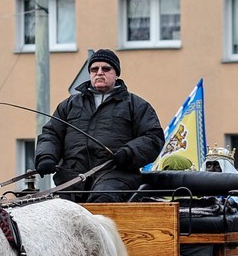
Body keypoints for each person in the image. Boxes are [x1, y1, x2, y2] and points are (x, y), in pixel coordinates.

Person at [35, 49, 164, 202]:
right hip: (71, 177)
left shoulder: (136, 105)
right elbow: (51, 134)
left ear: (116, 74)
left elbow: (153, 137)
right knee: (56, 208)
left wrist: (128, 153)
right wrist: (46, 157)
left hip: (116, 175)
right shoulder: (69, 105)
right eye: (94, 69)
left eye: (106, 68)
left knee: (102, 199)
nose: (99, 73)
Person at [201, 145, 238, 219]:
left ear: (226, 168)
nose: (211, 169)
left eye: (216, 165)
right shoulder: (200, 187)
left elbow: (235, 207)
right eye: (208, 165)